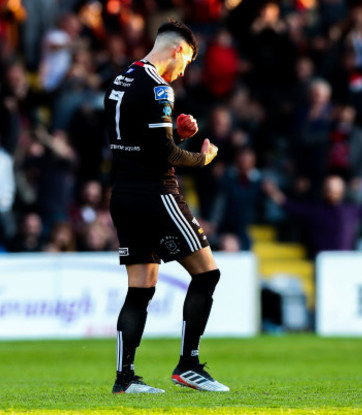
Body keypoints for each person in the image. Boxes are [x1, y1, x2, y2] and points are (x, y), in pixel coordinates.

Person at [104, 20, 228, 394]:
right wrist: (203, 157)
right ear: (177, 50)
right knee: (207, 275)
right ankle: (188, 365)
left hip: (123, 195)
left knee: (140, 288)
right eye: (187, 61)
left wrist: (176, 130)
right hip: (157, 195)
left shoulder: (122, 79)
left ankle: (125, 379)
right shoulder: (159, 87)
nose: (184, 71)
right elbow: (167, 154)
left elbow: (138, 138)